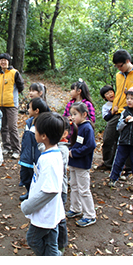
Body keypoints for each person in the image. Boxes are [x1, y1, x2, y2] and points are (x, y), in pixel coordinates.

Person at [21, 112, 65, 256]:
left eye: (36, 129)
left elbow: (50, 191)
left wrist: (28, 206)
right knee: (51, 242)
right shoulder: (52, 152)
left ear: (44, 136)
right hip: (51, 211)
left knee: (33, 239)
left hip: (45, 212)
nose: (34, 131)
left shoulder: (49, 160)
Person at [98, 49, 133, 170]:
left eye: (120, 65)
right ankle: (108, 163)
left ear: (127, 61)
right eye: (116, 66)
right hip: (116, 111)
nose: (119, 68)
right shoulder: (118, 75)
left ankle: (127, 167)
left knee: (128, 140)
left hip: (130, 112)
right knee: (108, 137)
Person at [107, 90, 133, 193]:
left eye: (132, 99)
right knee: (118, 160)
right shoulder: (124, 112)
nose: (129, 101)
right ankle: (113, 178)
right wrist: (125, 121)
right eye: (127, 98)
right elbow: (118, 127)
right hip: (123, 141)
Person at [66, 102, 97, 227]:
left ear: (84, 114)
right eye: (71, 114)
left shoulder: (87, 128)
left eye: (75, 114)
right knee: (74, 186)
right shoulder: (78, 126)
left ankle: (90, 215)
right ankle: (76, 208)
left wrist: (75, 153)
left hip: (82, 163)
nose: (72, 117)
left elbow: (90, 145)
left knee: (84, 189)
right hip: (74, 162)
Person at [18, 97, 49, 202]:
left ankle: (34, 195)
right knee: (25, 176)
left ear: (37, 110)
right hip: (25, 156)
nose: (28, 110)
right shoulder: (29, 122)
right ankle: (29, 192)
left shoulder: (42, 125)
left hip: (35, 158)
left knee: (34, 178)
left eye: (30, 108)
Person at [0, 53, 24, 159]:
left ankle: (16, 149)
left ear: (8, 61)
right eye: (1, 60)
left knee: (12, 127)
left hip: (12, 104)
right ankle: (7, 147)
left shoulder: (14, 73)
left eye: (5, 60)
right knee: (3, 127)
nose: (3, 62)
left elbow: (21, 86)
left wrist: (13, 97)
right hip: (0, 104)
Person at [57, 116, 77, 254]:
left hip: (59, 189)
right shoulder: (57, 146)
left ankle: (61, 243)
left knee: (59, 217)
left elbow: (59, 170)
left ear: (64, 134)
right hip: (56, 189)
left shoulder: (62, 150)